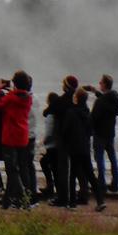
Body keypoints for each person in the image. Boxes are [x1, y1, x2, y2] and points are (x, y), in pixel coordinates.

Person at [63, 86, 107, 210]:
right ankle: (100, 200)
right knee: (91, 175)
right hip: (85, 148)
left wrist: (66, 142)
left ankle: (72, 203)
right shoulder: (87, 113)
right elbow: (90, 130)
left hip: (74, 147)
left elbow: (66, 130)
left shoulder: (71, 112)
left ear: (76, 98)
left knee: (73, 175)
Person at [0, 70, 33, 209]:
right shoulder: (28, 98)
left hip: (10, 136)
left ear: (15, 83)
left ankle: (24, 199)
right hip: (22, 136)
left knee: (12, 170)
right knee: (17, 168)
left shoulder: (11, 97)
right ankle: (6, 201)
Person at [45, 74, 79, 206]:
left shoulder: (60, 101)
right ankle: (74, 197)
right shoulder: (77, 100)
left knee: (63, 170)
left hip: (63, 139)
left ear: (65, 86)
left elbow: (46, 112)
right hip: (76, 138)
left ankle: (63, 198)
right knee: (75, 170)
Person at [87, 74, 118, 195]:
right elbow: (106, 101)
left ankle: (101, 184)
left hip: (99, 133)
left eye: (101, 82)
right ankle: (115, 183)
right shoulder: (114, 98)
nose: (99, 83)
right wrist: (95, 91)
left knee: (100, 159)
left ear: (105, 84)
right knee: (113, 159)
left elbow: (93, 118)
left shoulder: (100, 101)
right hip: (110, 133)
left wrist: (88, 131)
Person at [39, 90, 61, 199]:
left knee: (45, 163)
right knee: (54, 167)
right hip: (58, 145)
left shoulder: (50, 115)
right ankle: (54, 188)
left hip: (51, 146)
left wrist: (44, 141)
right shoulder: (59, 113)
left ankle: (51, 188)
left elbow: (49, 132)